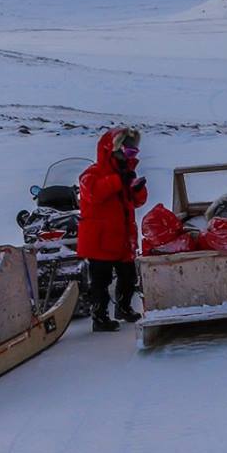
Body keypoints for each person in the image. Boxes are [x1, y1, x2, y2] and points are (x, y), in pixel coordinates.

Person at [78, 127, 149, 331]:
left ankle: (124, 308)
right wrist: (119, 181)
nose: (130, 156)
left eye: (133, 152)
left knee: (129, 277)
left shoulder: (126, 173)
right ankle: (99, 317)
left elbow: (137, 202)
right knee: (101, 281)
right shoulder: (91, 174)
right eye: (128, 151)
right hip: (100, 240)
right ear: (113, 149)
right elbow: (93, 194)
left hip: (122, 237)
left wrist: (137, 189)